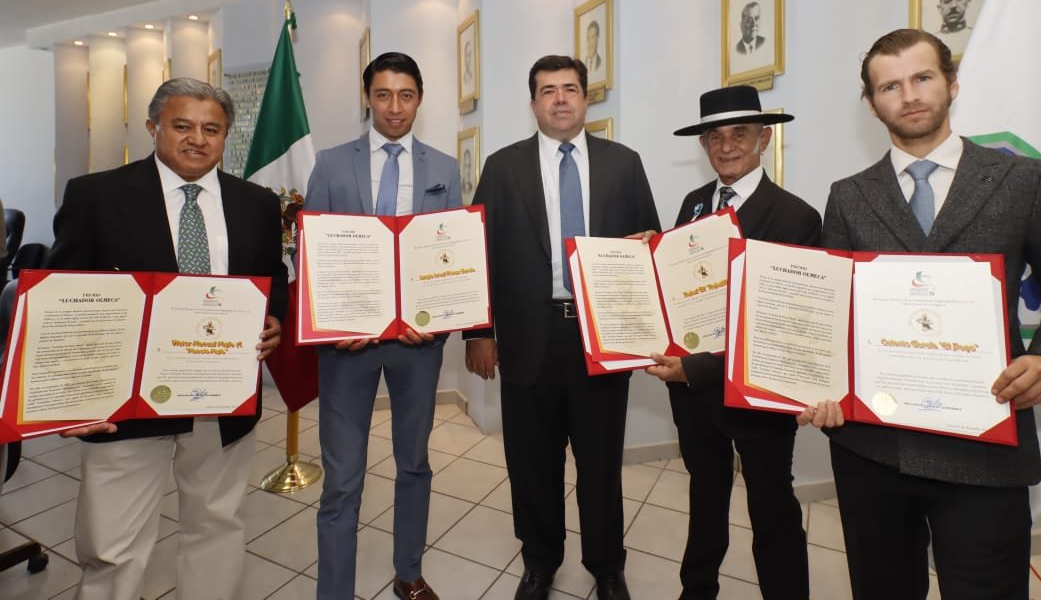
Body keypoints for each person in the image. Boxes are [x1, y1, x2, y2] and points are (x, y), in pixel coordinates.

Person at [811, 29, 1041, 599]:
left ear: (951, 83)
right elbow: (831, 311)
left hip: (984, 446)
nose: (909, 95)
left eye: (922, 77)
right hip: (872, 450)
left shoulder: (1024, 180)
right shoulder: (847, 196)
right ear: (871, 104)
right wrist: (811, 382)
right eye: (890, 86)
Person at [47, 77, 288, 600]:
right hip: (125, 405)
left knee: (216, 527)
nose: (197, 139)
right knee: (113, 547)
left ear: (225, 136)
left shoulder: (257, 203)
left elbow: (273, 278)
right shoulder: (95, 196)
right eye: (182, 126)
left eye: (211, 129)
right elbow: (62, 302)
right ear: (153, 127)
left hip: (222, 401)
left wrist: (274, 318)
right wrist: (70, 399)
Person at [464, 55, 660, 600]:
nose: (560, 99)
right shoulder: (503, 167)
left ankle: (607, 565)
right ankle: (540, 561)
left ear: (585, 98)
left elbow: (650, 243)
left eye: (570, 88)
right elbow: (477, 255)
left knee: (601, 463)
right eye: (548, 90)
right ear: (533, 104)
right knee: (532, 463)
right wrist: (479, 332)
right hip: (529, 338)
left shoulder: (624, 164)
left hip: (601, 339)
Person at [645, 85, 818, 599]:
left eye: (739, 134)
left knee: (771, 504)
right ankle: (697, 589)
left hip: (758, 391)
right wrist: (651, 256)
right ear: (703, 145)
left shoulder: (796, 217)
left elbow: (785, 325)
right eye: (714, 136)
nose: (726, 146)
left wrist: (696, 368)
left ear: (764, 139)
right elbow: (681, 288)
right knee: (705, 495)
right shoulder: (693, 204)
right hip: (694, 394)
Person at [305, 51, 460, 600]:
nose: (395, 107)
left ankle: (408, 572)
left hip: (418, 344)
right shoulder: (330, 164)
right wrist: (331, 325)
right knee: (343, 477)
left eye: (406, 95)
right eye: (384, 95)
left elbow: (452, 256)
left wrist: (439, 322)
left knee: (414, 463)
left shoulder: (444, 168)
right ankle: (334, 592)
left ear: (420, 99)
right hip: (347, 345)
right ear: (367, 97)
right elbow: (312, 254)